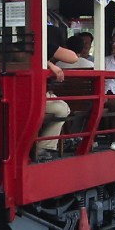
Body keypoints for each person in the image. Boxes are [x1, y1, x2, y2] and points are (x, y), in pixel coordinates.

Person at [36, 27, 78, 162]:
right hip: (37, 95)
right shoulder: (46, 46)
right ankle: (43, 146)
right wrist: (49, 61)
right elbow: (73, 57)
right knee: (62, 109)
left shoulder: (20, 45)